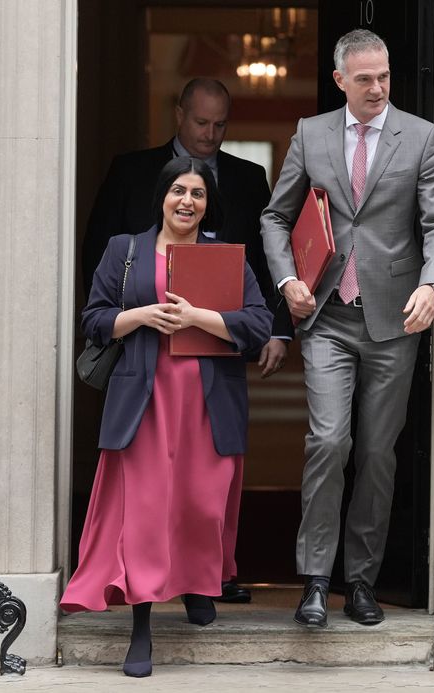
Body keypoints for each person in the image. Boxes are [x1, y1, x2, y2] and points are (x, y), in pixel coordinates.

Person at [260, 29, 434, 629]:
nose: (378, 88)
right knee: (328, 442)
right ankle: (316, 580)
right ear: (340, 80)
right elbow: (275, 216)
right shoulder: (310, 134)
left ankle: (363, 581)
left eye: (385, 76)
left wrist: (433, 285)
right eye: (365, 79)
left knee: (376, 452)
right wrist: (286, 280)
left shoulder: (423, 137)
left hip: (394, 320)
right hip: (326, 318)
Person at [61, 157, 272, 678]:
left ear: (207, 204)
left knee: (201, 505)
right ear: (162, 195)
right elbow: (93, 318)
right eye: (179, 190)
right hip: (144, 400)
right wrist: (143, 316)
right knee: (148, 515)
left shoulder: (224, 258)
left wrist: (198, 317)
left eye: (198, 194)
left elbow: (259, 324)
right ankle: (141, 627)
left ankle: (199, 585)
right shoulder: (124, 249)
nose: (187, 201)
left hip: (206, 402)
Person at [83, 78, 289, 604]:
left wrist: (239, 322)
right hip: (144, 379)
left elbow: (263, 273)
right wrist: (140, 314)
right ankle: (145, 606)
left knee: (204, 494)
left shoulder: (245, 185)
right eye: (202, 122)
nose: (210, 134)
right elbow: (96, 299)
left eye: (221, 125)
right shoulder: (129, 191)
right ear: (179, 115)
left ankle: (203, 582)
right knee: (149, 500)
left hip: (211, 378)